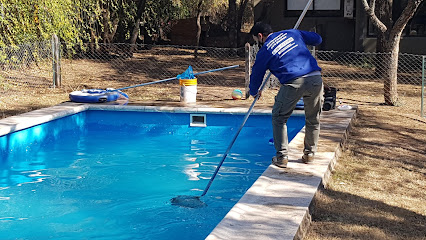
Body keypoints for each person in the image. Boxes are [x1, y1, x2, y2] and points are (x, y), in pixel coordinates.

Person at [249, 22, 323, 168]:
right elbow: (318, 39)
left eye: (256, 41)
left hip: (293, 82)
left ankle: (282, 157)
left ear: (260, 36)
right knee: (313, 118)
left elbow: (257, 74)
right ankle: (310, 154)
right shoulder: (293, 33)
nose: (257, 43)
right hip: (315, 78)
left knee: (279, 118)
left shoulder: (265, 50)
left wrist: (253, 91)